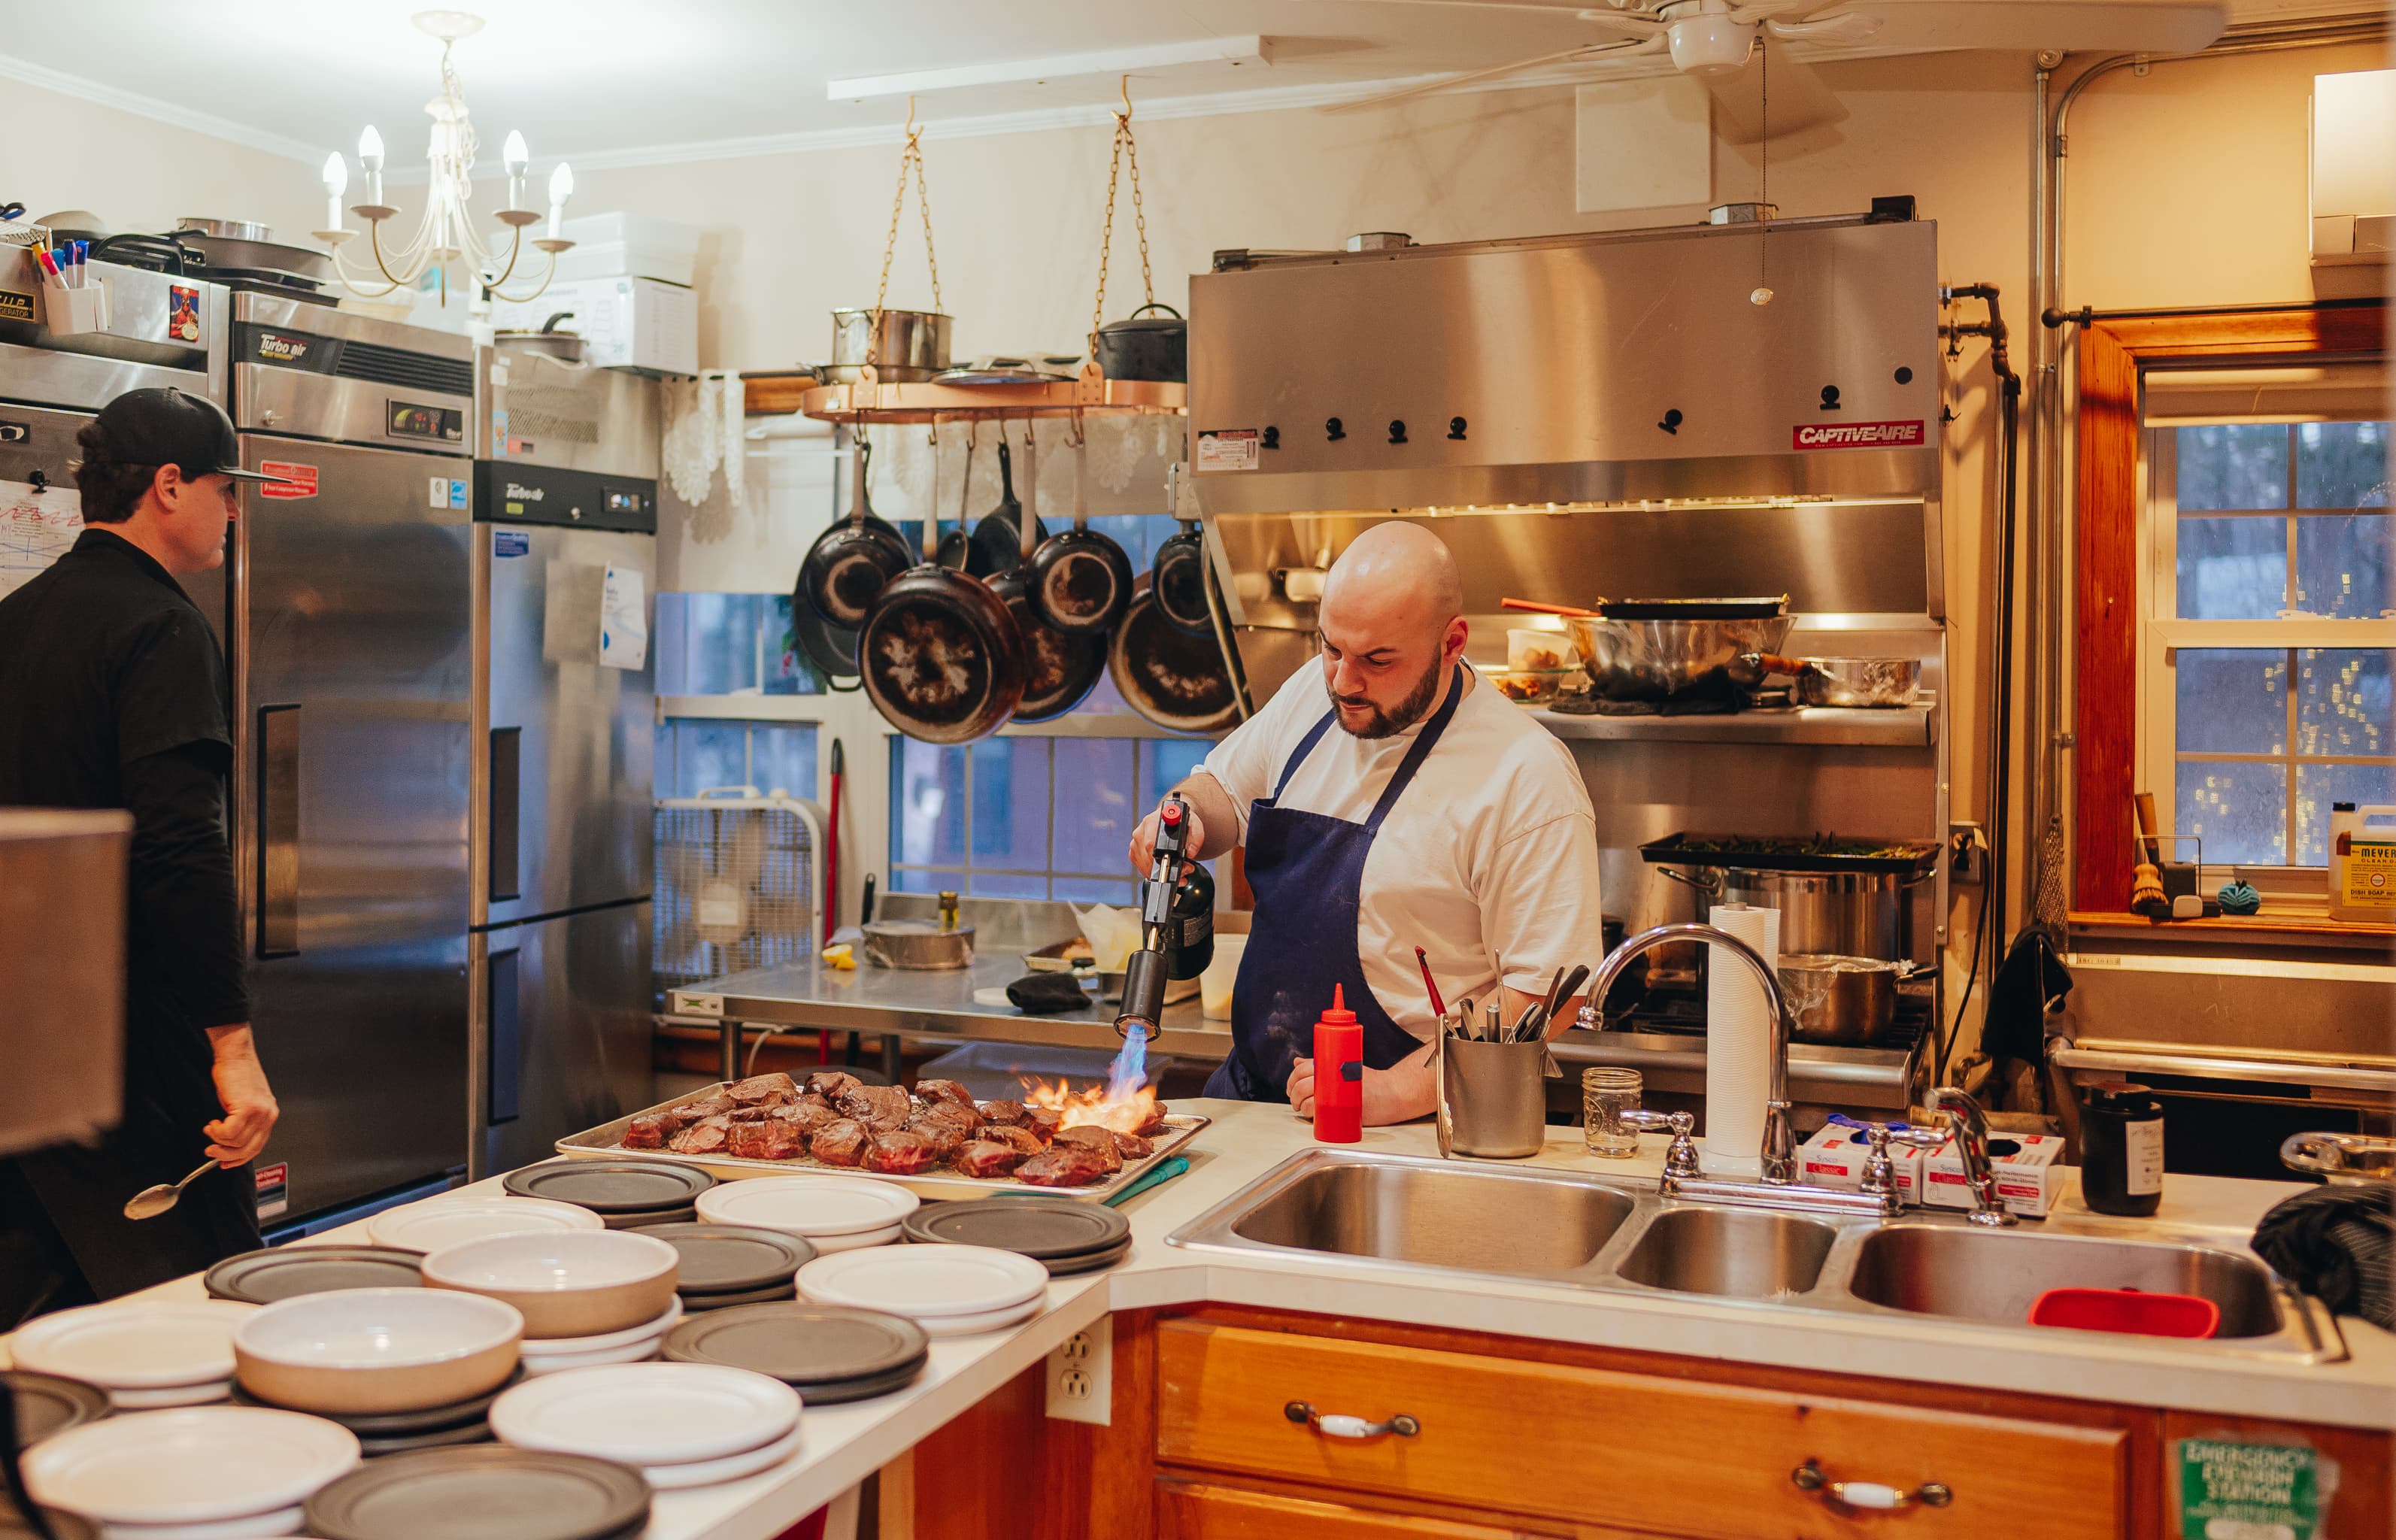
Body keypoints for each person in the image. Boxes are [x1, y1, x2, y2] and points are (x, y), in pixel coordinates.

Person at [1129, 521, 1604, 1124]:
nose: (1344, 682)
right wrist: (1188, 816)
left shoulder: (1526, 775)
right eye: (1331, 648)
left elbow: (1550, 992)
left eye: (1378, 660)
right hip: (1256, 1102)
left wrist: (1398, 1091)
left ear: (1452, 642)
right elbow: (1224, 788)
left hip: (1413, 1128)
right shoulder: (1314, 690)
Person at [0, 387, 284, 1323]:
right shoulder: (161, 627)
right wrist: (232, 1050)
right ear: (169, 485)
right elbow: (178, 847)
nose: (234, 509)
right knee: (196, 1309)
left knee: (41, 1322)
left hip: (28, 1047)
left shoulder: (17, 616)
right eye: (224, 487)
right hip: (136, 1041)